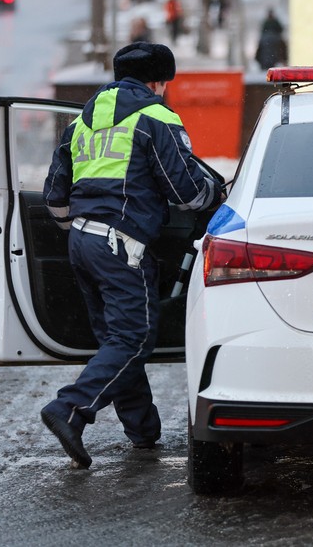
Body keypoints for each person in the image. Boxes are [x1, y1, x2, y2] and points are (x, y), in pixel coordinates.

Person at [40, 42, 224, 469]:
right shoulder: (156, 117)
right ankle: (70, 409)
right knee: (134, 338)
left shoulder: (82, 121)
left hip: (81, 242)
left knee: (117, 339)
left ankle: (143, 431)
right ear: (158, 81)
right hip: (121, 245)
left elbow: (54, 196)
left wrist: (82, 229)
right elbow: (185, 191)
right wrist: (215, 194)